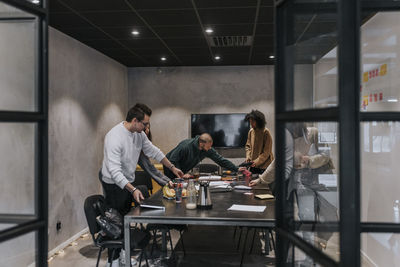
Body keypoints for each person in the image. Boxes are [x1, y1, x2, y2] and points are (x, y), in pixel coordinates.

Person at [100, 104, 183, 266]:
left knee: (125, 219)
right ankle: (113, 261)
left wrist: (172, 167)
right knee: (115, 223)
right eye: (145, 124)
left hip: (127, 182)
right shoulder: (114, 137)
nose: (147, 127)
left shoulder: (138, 134)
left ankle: (124, 254)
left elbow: (154, 151)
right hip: (113, 183)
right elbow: (115, 172)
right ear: (135, 120)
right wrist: (133, 189)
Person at [164, 133, 243, 179]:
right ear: (201, 144)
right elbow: (173, 160)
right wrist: (182, 174)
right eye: (208, 147)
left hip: (181, 169)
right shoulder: (185, 146)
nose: (209, 149)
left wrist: (236, 168)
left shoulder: (206, 149)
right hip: (170, 167)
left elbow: (220, 160)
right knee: (172, 187)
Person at [244, 110, 274, 174]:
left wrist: (256, 162)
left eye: (253, 121)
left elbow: (266, 152)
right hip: (253, 165)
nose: (251, 123)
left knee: (262, 183)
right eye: (250, 121)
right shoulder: (251, 131)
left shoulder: (266, 132)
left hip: (265, 166)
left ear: (259, 121)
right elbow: (248, 146)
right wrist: (248, 156)